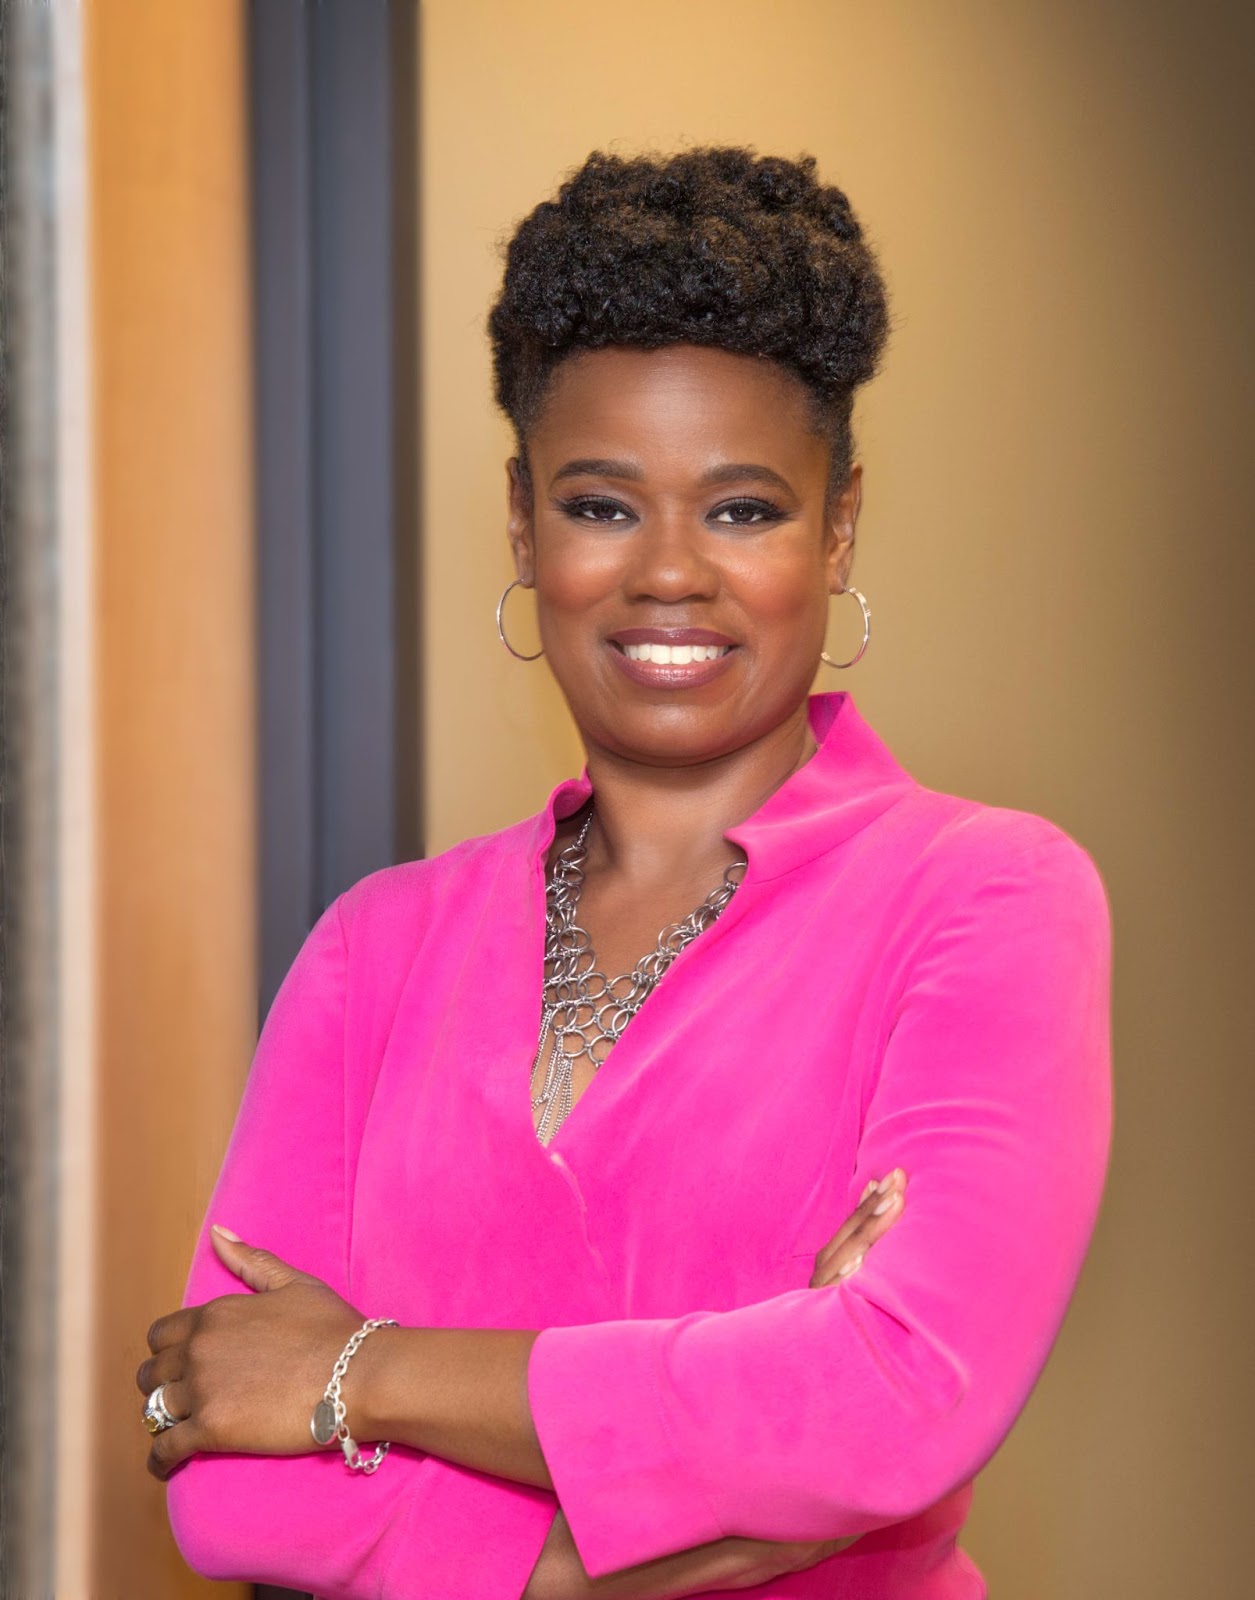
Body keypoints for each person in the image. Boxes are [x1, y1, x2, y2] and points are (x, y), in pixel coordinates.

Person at [136, 147, 1113, 1599]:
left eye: (743, 509)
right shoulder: (373, 950)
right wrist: (715, 1498)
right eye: (600, 505)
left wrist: (361, 1373)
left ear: (838, 524)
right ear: (522, 521)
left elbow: (893, 1401)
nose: (668, 573)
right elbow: (228, 1483)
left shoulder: (983, 902)